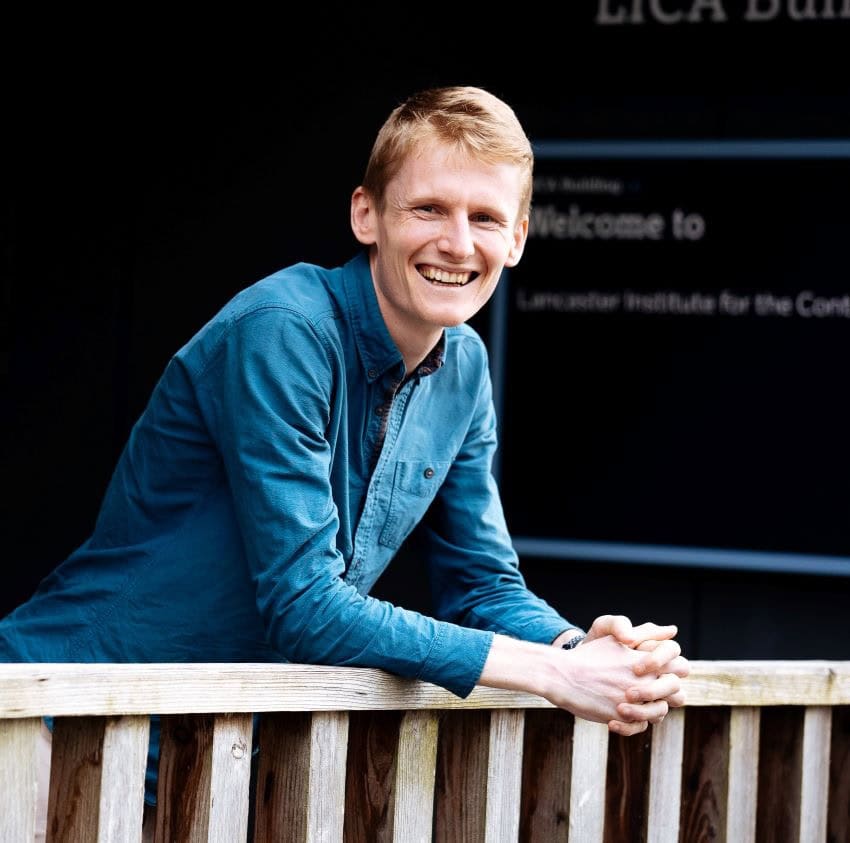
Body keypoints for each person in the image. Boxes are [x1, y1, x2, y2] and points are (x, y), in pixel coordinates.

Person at [1, 85, 688, 827]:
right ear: (367, 214)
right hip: (52, 719)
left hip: (210, 754)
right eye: (428, 208)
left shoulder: (464, 369)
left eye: (484, 217)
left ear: (517, 238)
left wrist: (583, 647)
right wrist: (555, 674)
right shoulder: (284, 327)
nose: (458, 242)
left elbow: (483, 585)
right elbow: (305, 607)